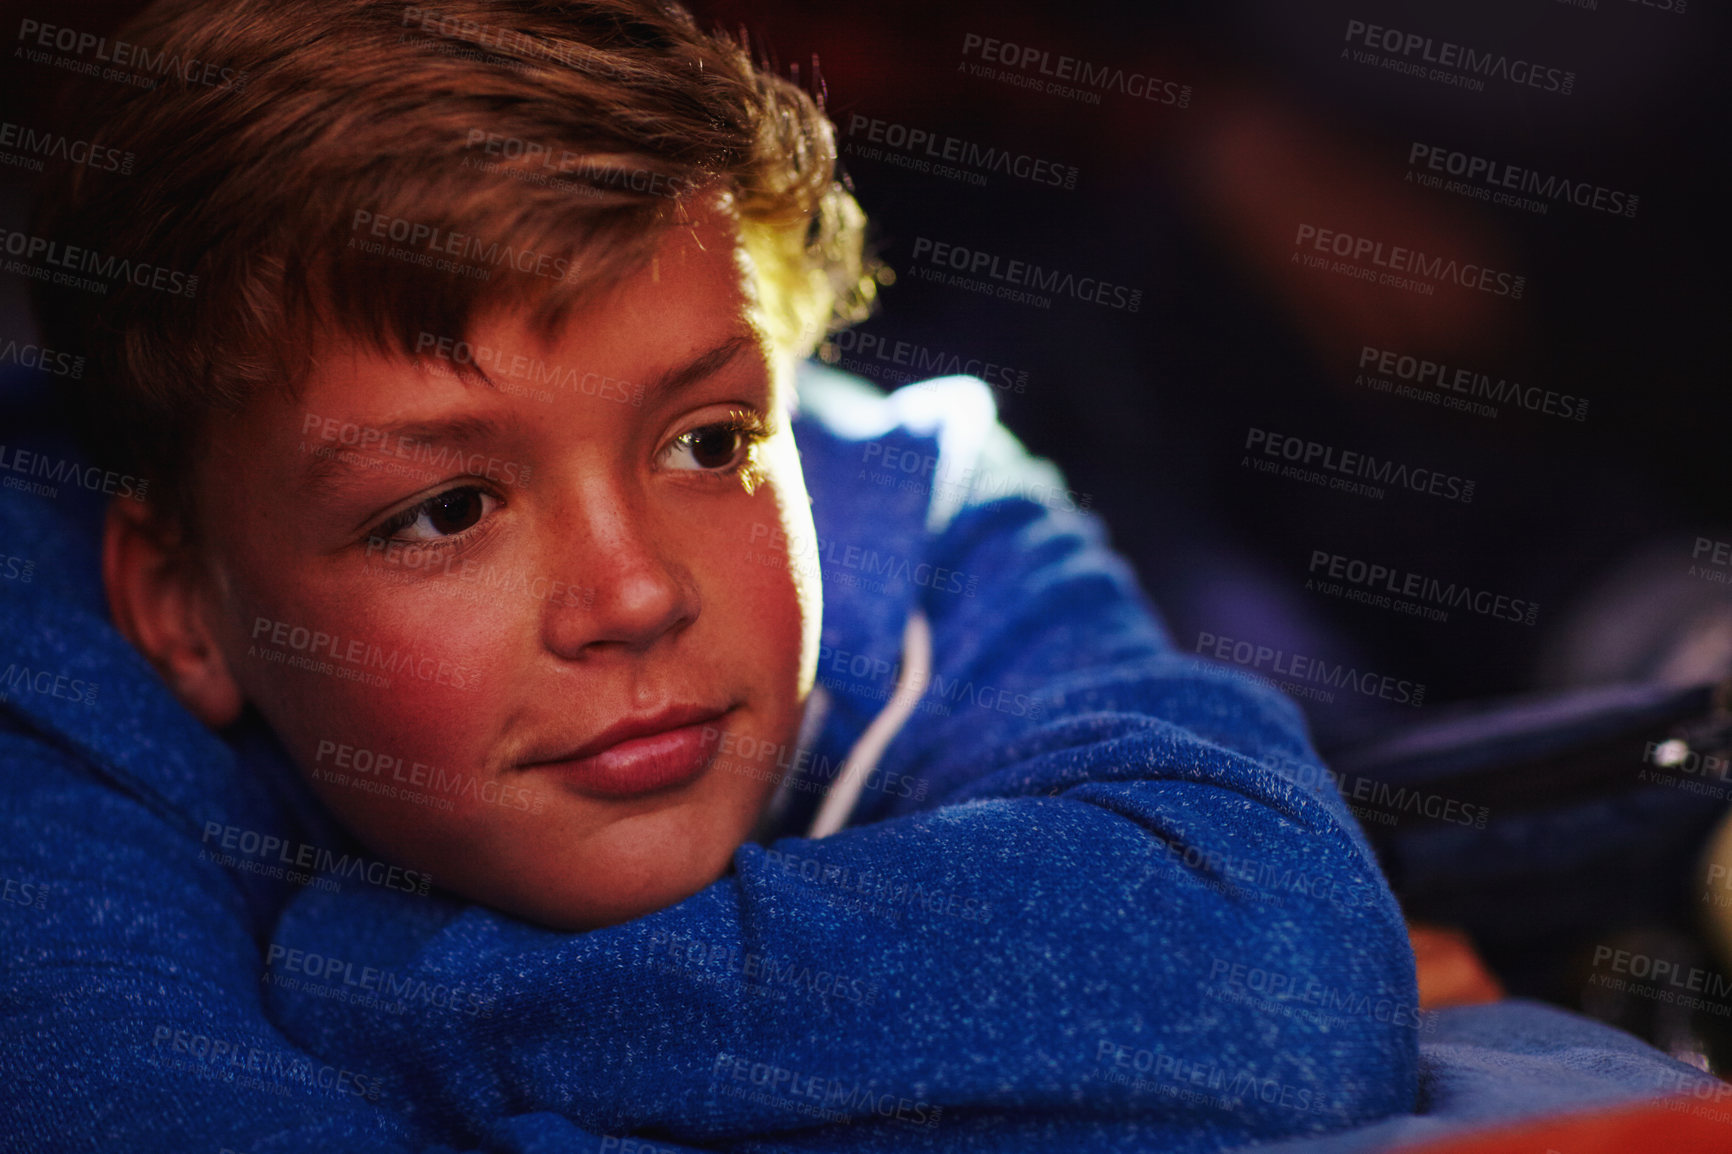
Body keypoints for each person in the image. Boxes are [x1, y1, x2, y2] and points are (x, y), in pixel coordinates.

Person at [0, 1, 1418, 1149]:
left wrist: (392, 984)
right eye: (443, 511)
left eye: (707, 437)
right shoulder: (54, 670)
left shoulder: (909, 495)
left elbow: (1274, 975)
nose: (632, 595)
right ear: (178, 606)